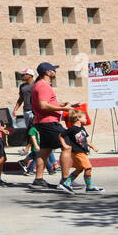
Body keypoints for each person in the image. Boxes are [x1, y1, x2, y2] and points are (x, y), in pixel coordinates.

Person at [29, 62, 75, 191]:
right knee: (67, 146)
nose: (55, 72)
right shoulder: (43, 86)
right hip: (49, 122)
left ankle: (38, 180)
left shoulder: (39, 85)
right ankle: (65, 180)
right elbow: (43, 105)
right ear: (47, 72)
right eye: (53, 70)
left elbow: (46, 103)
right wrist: (64, 108)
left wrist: (62, 105)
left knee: (45, 150)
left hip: (43, 122)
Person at [59, 110, 102, 194]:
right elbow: (61, 135)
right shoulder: (72, 129)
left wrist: (93, 147)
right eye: (85, 118)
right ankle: (89, 187)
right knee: (88, 168)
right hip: (77, 152)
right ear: (78, 118)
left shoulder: (82, 128)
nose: (86, 119)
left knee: (79, 169)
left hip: (82, 152)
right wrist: (64, 145)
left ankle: (66, 184)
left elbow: (85, 140)